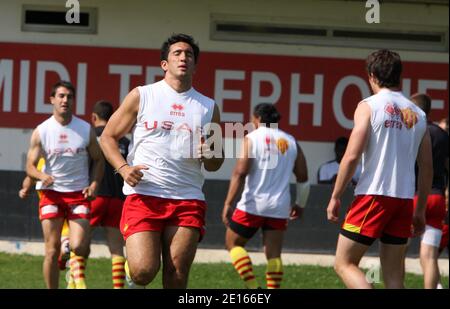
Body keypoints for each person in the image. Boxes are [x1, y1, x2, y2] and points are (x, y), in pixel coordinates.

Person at [100, 33, 224, 288]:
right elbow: (107, 137)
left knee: (177, 273)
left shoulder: (209, 107)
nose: (183, 57)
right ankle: (132, 274)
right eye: (177, 53)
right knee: (144, 271)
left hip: (187, 197)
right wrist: (123, 169)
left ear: (195, 64)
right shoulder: (143, 95)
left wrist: (210, 153)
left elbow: (216, 162)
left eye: (189, 54)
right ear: (164, 64)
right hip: (144, 193)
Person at [326, 49, 432, 289]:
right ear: (399, 77)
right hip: (404, 200)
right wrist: (420, 209)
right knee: (394, 277)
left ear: (372, 76)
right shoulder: (419, 114)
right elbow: (427, 168)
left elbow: (351, 155)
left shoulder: (369, 106)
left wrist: (335, 196)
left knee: (344, 263)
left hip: (373, 195)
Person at [25, 80, 104, 289]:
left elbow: (99, 160)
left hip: (79, 194)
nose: (65, 100)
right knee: (50, 251)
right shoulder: (42, 131)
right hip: (51, 194)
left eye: (69, 97)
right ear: (52, 99)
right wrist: (41, 176)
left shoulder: (85, 129)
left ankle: (67, 248)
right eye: (61, 96)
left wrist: (94, 184)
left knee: (80, 245)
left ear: (74, 101)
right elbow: (30, 166)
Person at [222, 103, 309, 289]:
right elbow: (303, 177)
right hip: (279, 206)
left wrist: (228, 203)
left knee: (233, 243)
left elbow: (240, 172)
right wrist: (300, 204)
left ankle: (254, 288)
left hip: (253, 204)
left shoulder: (252, 138)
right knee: (274, 254)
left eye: (252, 119)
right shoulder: (290, 141)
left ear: (258, 119)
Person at [88, 100, 130, 289]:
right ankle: (118, 287)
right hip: (117, 200)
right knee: (117, 249)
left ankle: (75, 281)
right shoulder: (124, 141)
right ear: (113, 118)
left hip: (94, 196)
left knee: (78, 242)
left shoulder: (88, 137)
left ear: (94, 117)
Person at [410, 93, 448, 289]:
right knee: (430, 256)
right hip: (437, 198)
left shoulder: (411, 131)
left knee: (396, 251)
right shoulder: (442, 134)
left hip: (413, 197)